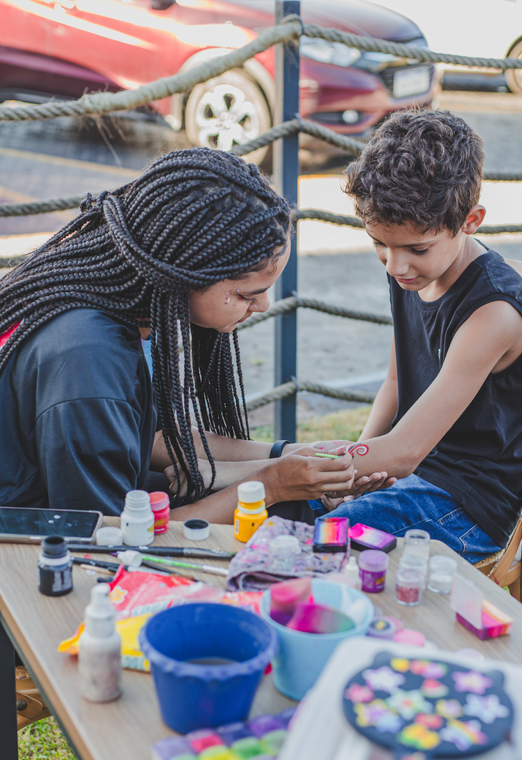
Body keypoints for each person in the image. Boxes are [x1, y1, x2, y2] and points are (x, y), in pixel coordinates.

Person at [0, 148, 366, 525]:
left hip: (75, 507)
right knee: (287, 513)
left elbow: (157, 438)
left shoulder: (116, 295)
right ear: (184, 275)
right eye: (247, 293)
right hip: (40, 545)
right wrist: (270, 485)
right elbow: (108, 537)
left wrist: (287, 453)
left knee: (298, 503)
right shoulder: (88, 361)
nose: (264, 305)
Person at [319, 109, 522, 564]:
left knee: (319, 540)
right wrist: (355, 475)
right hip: (411, 476)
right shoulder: (411, 271)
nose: (395, 265)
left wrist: (334, 470)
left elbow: (402, 453)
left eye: (415, 249)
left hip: (465, 507)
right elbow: (396, 382)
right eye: (379, 243)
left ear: (471, 220)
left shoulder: (494, 314)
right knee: (286, 509)